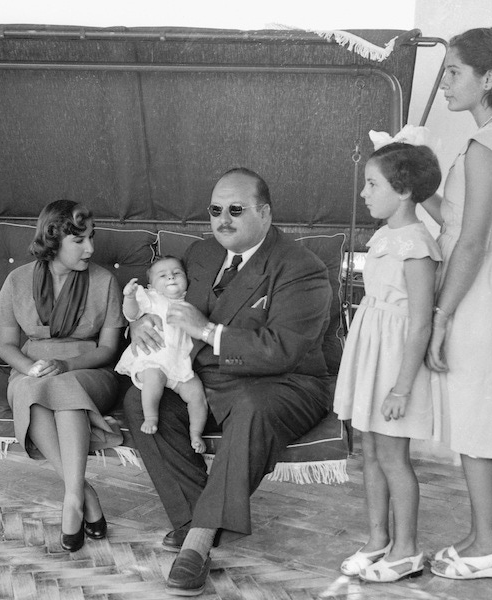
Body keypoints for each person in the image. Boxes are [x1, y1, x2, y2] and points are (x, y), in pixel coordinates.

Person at [123, 167, 332, 596]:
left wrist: (207, 332)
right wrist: (140, 322)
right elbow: (165, 301)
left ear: (265, 212)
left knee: (254, 409)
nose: (223, 219)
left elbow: (282, 349)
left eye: (236, 209)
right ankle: (194, 517)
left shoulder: (300, 267)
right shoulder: (201, 254)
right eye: (215, 209)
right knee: (141, 399)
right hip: (203, 375)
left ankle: (197, 542)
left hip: (282, 382)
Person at [424, 27, 492, 580]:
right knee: (474, 412)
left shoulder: (490, 142)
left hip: (480, 284)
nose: (444, 82)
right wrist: (414, 174)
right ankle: (481, 536)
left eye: (453, 72)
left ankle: (491, 546)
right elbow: (453, 218)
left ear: (489, 77)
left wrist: (441, 315)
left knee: (477, 413)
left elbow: (469, 240)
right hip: (487, 278)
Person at [333, 133, 442, 583]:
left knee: (395, 456)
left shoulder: (417, 244)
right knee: (371, 451)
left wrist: (402, 386)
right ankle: (378, 538)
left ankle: (407, 548)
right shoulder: (384, 236)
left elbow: (419, 322)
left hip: (396, 358)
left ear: (403, 191)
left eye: (372, 184)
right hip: (371, 348)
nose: (364, 193)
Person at [0, 199, 126, 553]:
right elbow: (6, 346)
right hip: (33, 368)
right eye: (79, 241)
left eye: (92, 238)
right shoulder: (17, 281)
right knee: (28, 391)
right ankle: (80, 493)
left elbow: (109, 348)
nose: (91, 248)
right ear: (54, 240)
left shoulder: (103, 280)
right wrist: (29, 368)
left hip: (89, 369)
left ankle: (71, 499)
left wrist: (67, 366)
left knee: (64, 388)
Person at [115, 256, 208, 453]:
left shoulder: (192, 301)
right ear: (151, 285)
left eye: (177, 273)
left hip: (180, 363)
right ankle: (151, 417)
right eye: (163, 275)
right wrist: (130, 297)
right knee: (153, 378)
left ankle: (196, 433)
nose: (171, 278)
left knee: (196, 394)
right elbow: (131, 315)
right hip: (154, 357)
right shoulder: (151, 297)